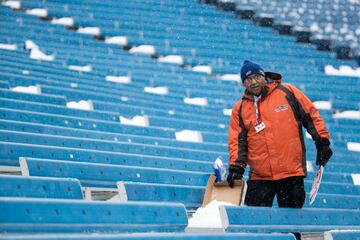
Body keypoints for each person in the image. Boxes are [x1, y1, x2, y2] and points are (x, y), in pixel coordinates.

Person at [226, 60, 333, 208]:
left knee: (291, 226)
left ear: (264, 76)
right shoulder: (240, 108)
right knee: (256, 225)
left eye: (257, 77)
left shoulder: (287, 91)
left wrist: (322, 142)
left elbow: (311, 116)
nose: (254, 82)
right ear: (244, 84)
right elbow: (237, 142)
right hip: (260, 177)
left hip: (291, 174)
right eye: (248, 79)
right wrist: (236, 167)